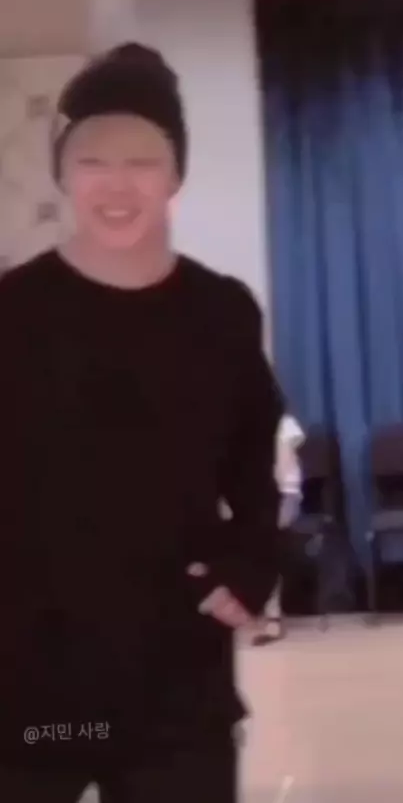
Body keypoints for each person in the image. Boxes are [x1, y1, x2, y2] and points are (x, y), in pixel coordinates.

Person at [0, 43, 283, 802]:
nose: (117, 184)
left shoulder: (221, 314)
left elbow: (253, 474)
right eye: (93, 160)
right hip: (34, 699)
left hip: (174, 693)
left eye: (142, 161)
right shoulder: (13, 314)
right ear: (62, 172)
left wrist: (250, 567)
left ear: (175, 174)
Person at [252, 414, 304, 645]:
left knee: (267, 539)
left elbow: (288, 467)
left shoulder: (285, 424)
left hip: (284, 495)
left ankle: (273, 616)